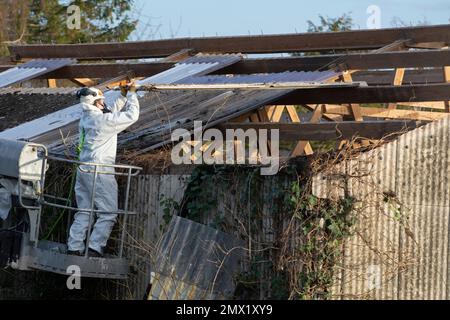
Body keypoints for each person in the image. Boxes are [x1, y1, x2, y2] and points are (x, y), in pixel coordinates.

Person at [67, 83, 139, 257]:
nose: (103, 104)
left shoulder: (87, 117)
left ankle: (74, 246)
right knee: (108, 212)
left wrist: (121, 96)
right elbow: (132, 115)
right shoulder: (101, 120)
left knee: (85, 210)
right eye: (101, 101)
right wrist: (132, 95)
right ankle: (94, 248)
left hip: (84, 170)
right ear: (94, 103)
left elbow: (109, 113)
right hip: (99, 171)